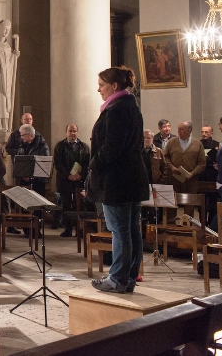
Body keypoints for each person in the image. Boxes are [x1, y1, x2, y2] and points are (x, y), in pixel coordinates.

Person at [88, 66, 147, 294]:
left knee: (120, 230)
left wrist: (94, 164)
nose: (98, 89)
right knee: (131, 229)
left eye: (102, 85)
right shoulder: (131, 106)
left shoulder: (116, 110)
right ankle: (128, 277)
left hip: (117, 179)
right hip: (132, 177)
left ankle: (117, 278)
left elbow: (111, 148)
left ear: (114, 86)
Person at [53, 124, 91, 237]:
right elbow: (58, 164)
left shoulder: (84, 147)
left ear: (77, 133)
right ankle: (67, 229)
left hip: (79, 180)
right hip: (65, 181)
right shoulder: (60, 146)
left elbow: (87, 163)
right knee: (66, 204)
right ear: (66, 133)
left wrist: (80, 175)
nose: (72, 133)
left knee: (79, 205)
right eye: (70, 131)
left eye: (74, 131)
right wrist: (68, 175)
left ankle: (80, 229)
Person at [162, 121, 206, 194]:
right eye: (178, 129)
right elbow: (165, 158)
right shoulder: (171, 142)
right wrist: (172, 167)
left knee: (190, 203)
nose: (178, 131)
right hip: (174, 179)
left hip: (191, 181)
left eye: (181, 129)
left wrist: (193, 173)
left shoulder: (198, 144)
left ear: (189, 130)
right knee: (175, 202)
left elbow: (202, 163)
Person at [14, 123, 50, 197]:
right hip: (24, 181)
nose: (21, 137)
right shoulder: (22, 146)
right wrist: (22, 175)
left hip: (38, 182)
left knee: (38, 205)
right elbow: (18, 163)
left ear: (29, 134)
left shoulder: (42, 146)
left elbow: (44, 164)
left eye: (22, 135)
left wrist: (32, 176)